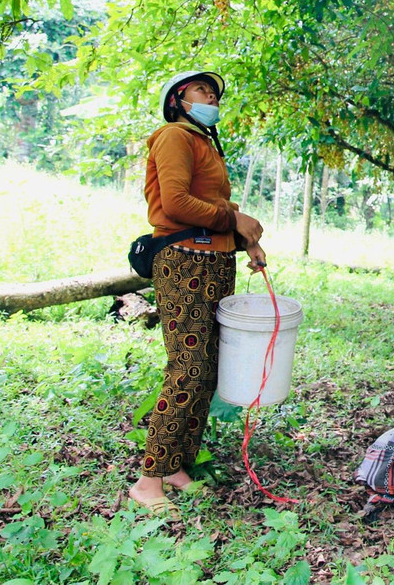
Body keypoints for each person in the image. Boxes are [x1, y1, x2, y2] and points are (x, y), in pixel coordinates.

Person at [127, 70, 266, 512]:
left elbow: (218, 207)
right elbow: (176, 204)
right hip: (183, 261)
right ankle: (148, 481)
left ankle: (175, 464)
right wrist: (234, 221)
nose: (212, 97)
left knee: (206, 368)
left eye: (214, 92)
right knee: (187, 366)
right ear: (178, 99)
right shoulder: (173, 136)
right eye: (203, 90)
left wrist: (248, 239)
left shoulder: (203, 141)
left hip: (214, 262)